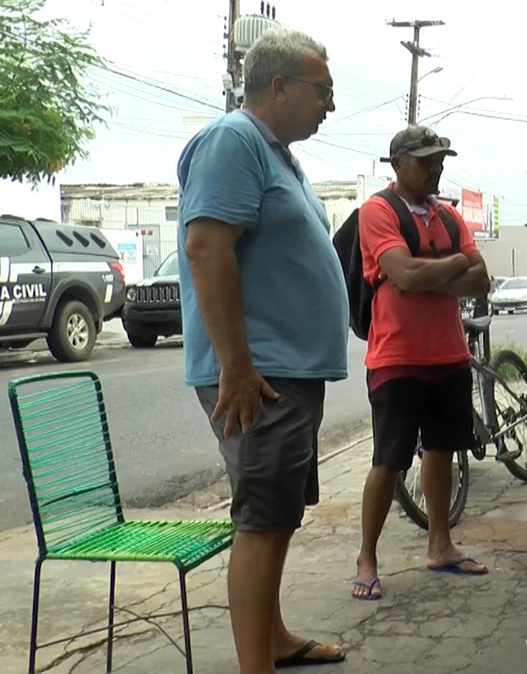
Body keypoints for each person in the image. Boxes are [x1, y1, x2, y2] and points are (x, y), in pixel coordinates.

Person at [176, 28, 347, 672]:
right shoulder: (233, 140)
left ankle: (272, 637)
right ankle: (256, 665)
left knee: (279, 515)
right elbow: (206, 249)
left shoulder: (276, 153)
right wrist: (236, 366)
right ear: (279, 88)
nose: (330, 106)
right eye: (322, 91)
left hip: (287, 370)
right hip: (261, 373)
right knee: (261, 520)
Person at [351, 125, 493, 601]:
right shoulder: (377, 211)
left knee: (442, 450)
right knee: (388, 460)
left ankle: (441, 545)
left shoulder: (449, 216)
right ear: (398, 163)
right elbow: (404, 274)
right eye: (427, 160)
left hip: (448, 353)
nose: (437, 168)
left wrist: (431, 272)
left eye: (440, 160)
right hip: (397, 356)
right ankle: (367, 558)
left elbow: (482, 282)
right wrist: (453, 265)